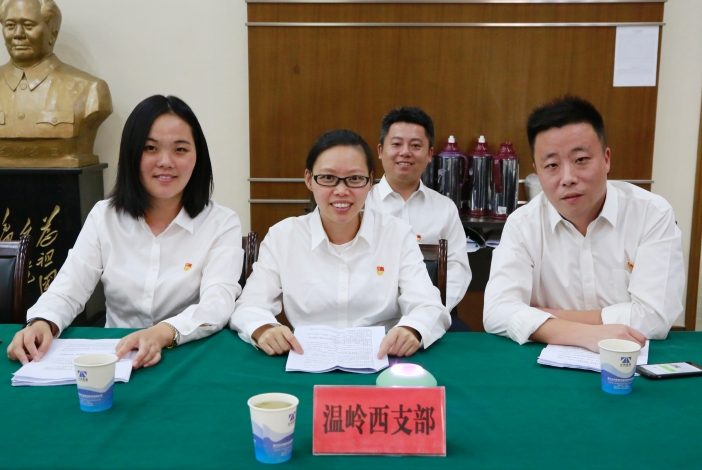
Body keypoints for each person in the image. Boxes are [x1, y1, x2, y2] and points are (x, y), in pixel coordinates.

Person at [7, 95, 243, 368]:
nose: (166, 161)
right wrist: (42, 322)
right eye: (150, 148)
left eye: (180, 149)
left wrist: (161, 333)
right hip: (118, 358)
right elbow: (68, 290)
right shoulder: (104, 216)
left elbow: (217, 303)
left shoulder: (221, 222)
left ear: (197, 157)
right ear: (131, 154)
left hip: (188, 356)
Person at [483, 96, 684, 352]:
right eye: (552, 165)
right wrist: (585, 334)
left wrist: (540, 317)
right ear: (537, 171)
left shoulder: (651, 214)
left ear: (606, 159)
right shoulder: (522, 224)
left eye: (580, 160)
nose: (568, 178)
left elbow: (655, 318)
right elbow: (496, 311)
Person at [230, 129, 450, 357]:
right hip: (307, 357)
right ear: (309, 179)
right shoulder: (283, 237)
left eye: (355, 179)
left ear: (369, 182)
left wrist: (411, 329)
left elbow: (428, 305)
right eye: (328, 178)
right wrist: (265, 329)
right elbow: (250, 305)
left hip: (383, 356)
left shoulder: (397, 235)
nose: (342, 191)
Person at [365, 107, 471, 315]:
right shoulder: (362, 204)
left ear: (430, 154)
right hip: (372, 317)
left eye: (415, 145)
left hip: (431, 314)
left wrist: (429, 312)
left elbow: (457, 269)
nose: (405, 152)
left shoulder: (445, 208)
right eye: (396, 144)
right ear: (380, 150)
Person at [0, 0, 113, 168]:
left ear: (53, 33)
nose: (18, 34)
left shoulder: (89, 89)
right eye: (10, 25)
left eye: (28, 25)